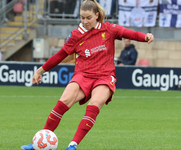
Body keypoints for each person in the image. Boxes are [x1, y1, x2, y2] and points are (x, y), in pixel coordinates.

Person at [21, 0, 154, 149]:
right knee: (63, 101)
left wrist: (145, 36)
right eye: (82, 18)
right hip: (83, 75)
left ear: (97, 15)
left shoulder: (109, 29)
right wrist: (40, 70)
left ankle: (73, 145)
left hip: (104, 76)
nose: (85, 21)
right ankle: (40, 141)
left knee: (94, 105)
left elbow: (129, 33)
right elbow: (59, 56)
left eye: (88, 18)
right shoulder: (76, 36)